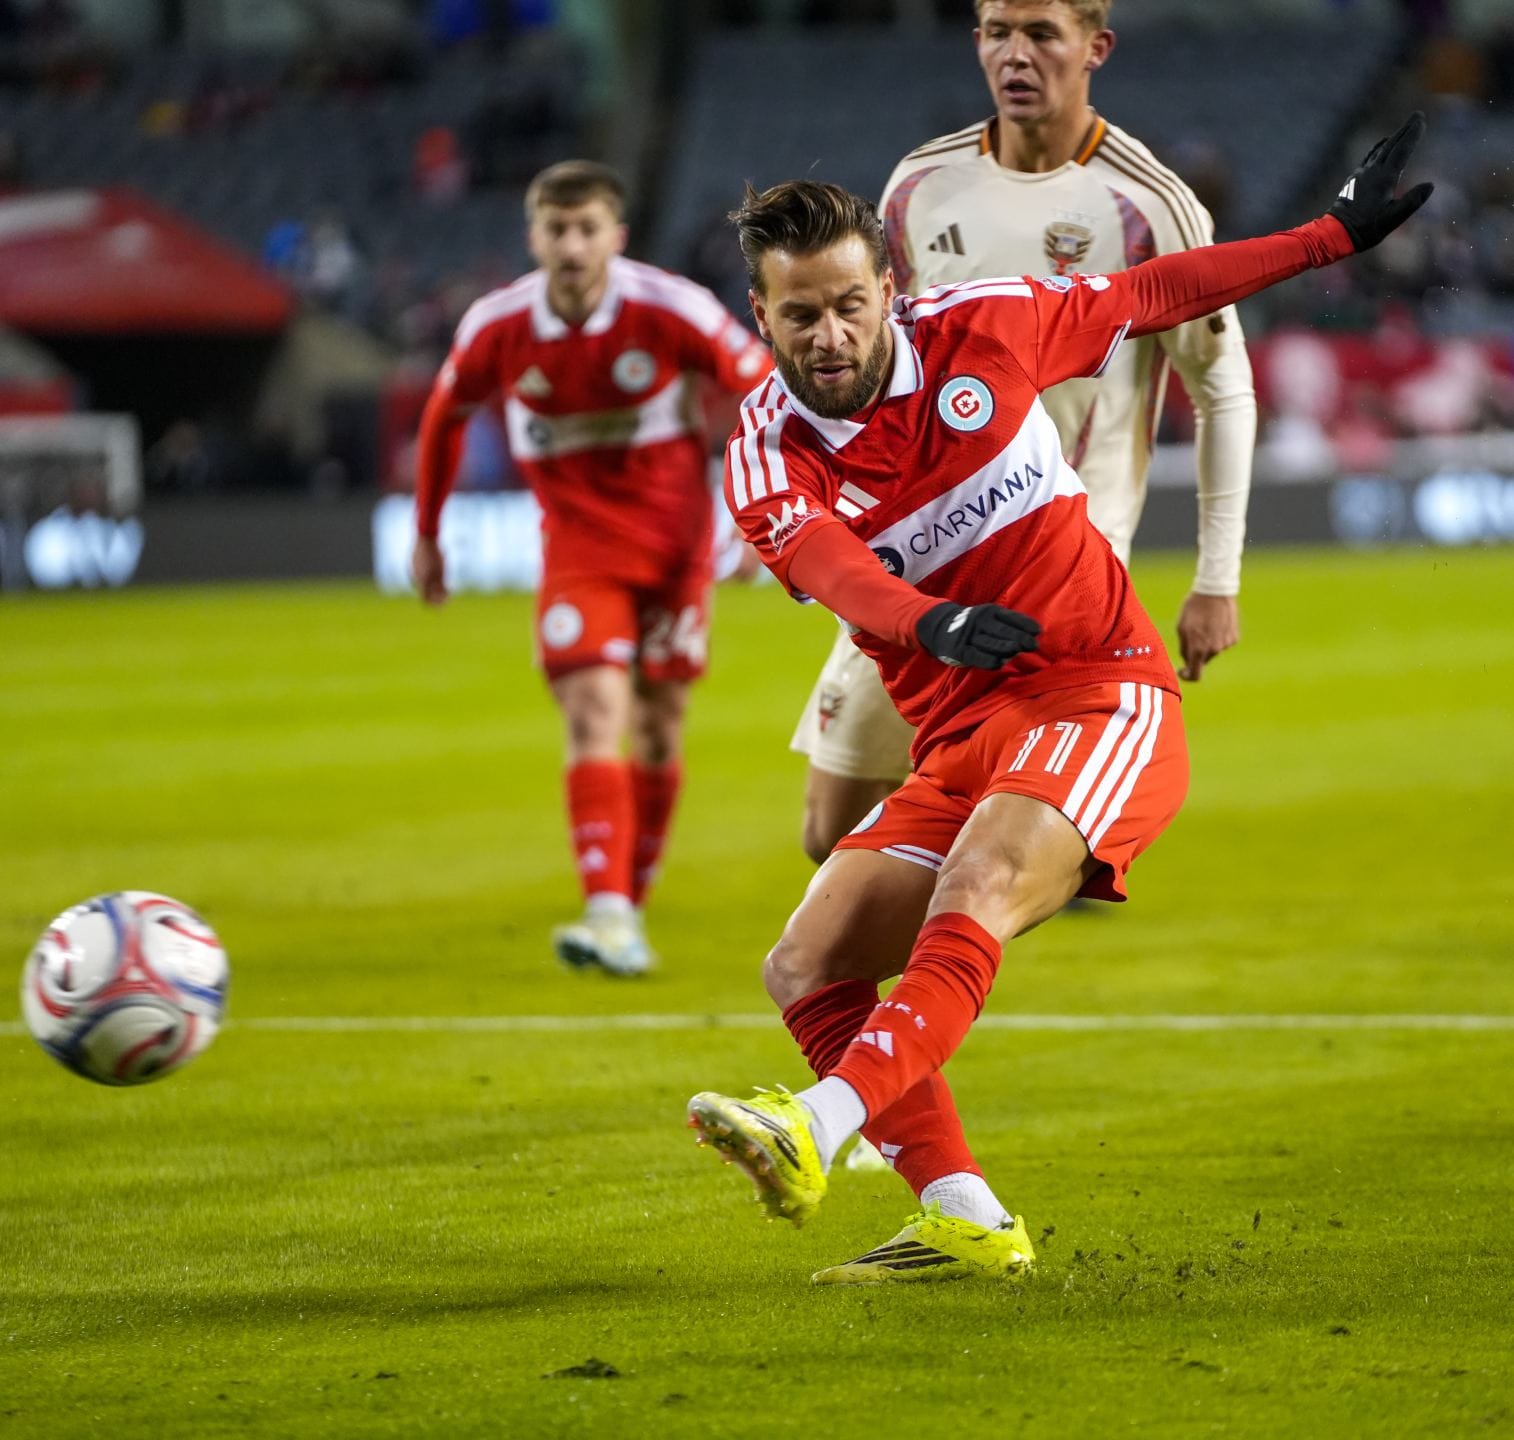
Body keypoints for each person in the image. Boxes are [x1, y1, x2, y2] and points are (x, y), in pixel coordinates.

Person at [686, 118, 1431, 1284]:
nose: (827, 337)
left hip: (1099, 697)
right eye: (798, 315)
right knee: (808, 961)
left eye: (846, 304)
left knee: (976, 888)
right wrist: (925, 621)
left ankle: (815, 1127)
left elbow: (1151, 290)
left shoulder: (984, 324)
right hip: (957, 739)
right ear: (759, 315)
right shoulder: (764, 451)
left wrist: (1326, 237)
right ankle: (964, 1218)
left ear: (888, 287)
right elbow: (838, 573)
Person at [792, 0, 1258, 868]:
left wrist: (1215, 578)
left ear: (1095, 47)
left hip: (1063, 559)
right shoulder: (916, 188)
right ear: (975, 43)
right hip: (923, 550)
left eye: (1041, 33)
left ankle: (941, 983)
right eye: (998, 32)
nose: (1016, 53)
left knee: (992, 849)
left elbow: (1222, 387)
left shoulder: (1149, 202)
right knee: (831, 831)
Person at [412, 160, 772, 976]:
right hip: (579, 556)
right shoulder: (498, 325)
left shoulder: (668, 306)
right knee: (594, 711)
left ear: (616, 235)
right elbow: (443, 417)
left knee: (658, 726)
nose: (572, 247)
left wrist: (755, 519)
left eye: (586, 230)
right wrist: (429, 535)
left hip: (676, 554)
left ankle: (627, 907)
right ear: (533, 235)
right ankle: (607, 912)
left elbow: (763, 392)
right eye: (555, 230)